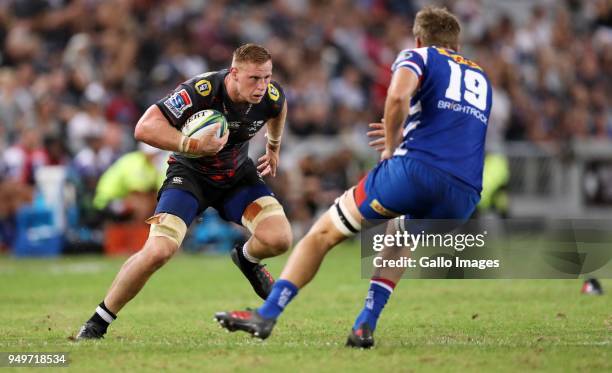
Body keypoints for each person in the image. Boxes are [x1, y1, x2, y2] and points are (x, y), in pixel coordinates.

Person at [215, 7, 492, 348]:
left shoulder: (417, 56)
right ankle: (364, 326)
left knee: (322, 233)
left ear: (418, 39)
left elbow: (397, 95)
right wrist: (408, 134)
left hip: (415, 172)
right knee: (399, 237)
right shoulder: (481, 77)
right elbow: (454, 133)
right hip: (464, 194)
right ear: (457, 43)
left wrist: (392, 146)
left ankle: (267, 314)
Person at [76, 43, 292, 339]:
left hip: (236, 178)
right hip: (190, 177)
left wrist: (274, 145)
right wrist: (191, 145)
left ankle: (246, 258)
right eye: (254, 78)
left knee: (280, 239)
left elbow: (279, 108)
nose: (262, 86)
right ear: (234, 73)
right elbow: (144, 127)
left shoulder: (270, 95)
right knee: (158, 251)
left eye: (267, 77)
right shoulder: (201, 91)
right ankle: (98, 321)